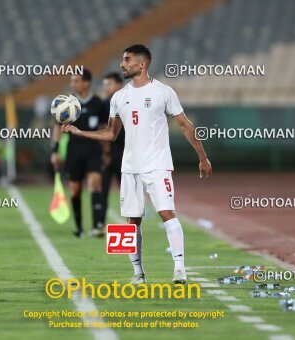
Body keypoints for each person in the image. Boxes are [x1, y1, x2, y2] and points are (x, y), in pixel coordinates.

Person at [61, 44, 212, 284]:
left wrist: (202, 157)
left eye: (127, 59)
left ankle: (180, 270)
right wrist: (80, 133)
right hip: (129, 167)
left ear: (142, 64)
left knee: (167, 214)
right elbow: (111, 133)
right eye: (122, 59)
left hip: (157, 165)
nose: (122, 64)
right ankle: (138, 274)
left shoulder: (163, 92)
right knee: (132, 221)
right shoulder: (118, 98)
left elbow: (185, 125)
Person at [51, 69, 108, 238]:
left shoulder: (98, 103)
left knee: (95, 183)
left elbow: (104, 129)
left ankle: (97, 225)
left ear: (86, 82)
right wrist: (54, 150)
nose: (72, 84)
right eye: (71, 81)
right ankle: (78, 227)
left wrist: (106, 151)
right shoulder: (66, 102)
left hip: (93, 149)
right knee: (75, 190)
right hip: (74, 150)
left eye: (76, 80)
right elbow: (56, 128)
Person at [101, 72, 125, 223]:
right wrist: (106, 152)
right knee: (102, 189)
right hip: (110, 152)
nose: (106, 88)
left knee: (128, 190)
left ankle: (133, 224)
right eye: (105, 85)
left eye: (109, 84)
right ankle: (99, 222)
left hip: (126, 152)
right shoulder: (104, 104)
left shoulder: (129, 102)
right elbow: (103, 128)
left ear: (119, 84)